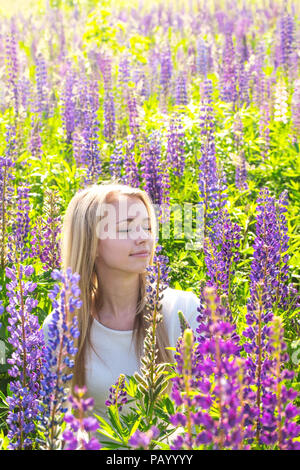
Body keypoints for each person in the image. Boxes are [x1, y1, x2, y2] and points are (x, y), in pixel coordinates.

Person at [42, 182, 200, 446]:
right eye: (126, 228)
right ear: (91, 244)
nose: (143, 237)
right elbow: (54, 425)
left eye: (147, 227)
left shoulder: (183, 310)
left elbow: (215, 405)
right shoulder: (63, 324)